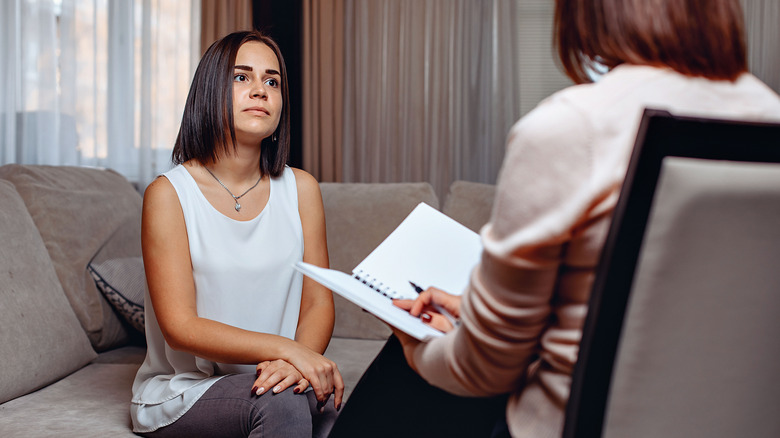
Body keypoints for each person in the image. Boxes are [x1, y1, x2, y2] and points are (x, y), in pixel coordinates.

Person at [327, 0, 780, 437]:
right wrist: (479, 314)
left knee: (406, 371)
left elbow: (481, 371)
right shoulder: (768, 113)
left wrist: (414, 344)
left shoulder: (574, 127)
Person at [130, 30, 343, 438]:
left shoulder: (302, 189)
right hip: (186, 390)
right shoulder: (168, 194)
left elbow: (318, 304)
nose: (260, 90)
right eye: (242, 77)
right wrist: (288, 350)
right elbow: (180, 326)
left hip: (279, 376)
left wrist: (293, 364)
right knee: (282, 403)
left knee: (329, 407)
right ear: (210, 92)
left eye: (272, 81)